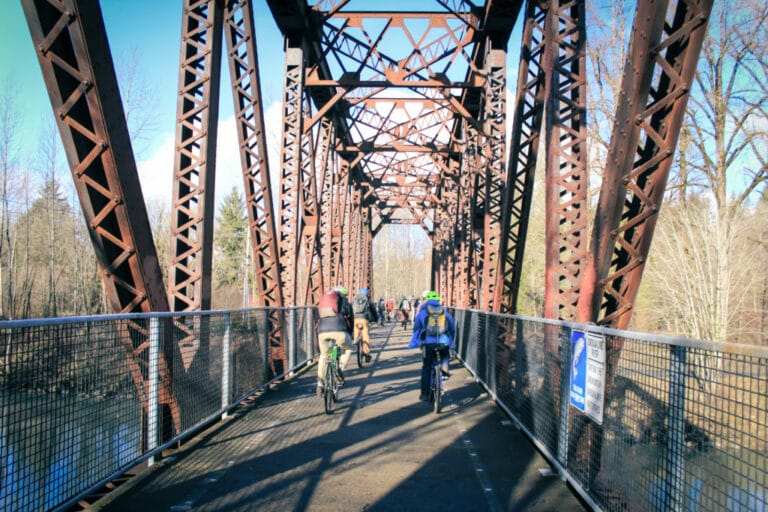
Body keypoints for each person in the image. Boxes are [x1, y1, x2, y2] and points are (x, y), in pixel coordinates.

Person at [408, 291, 456, 402]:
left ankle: (425, 394)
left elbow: (417, 328)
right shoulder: (444, 311)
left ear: (426, 301)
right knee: (445, 355)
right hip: (443, 342)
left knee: (426, 367)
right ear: (438, 301)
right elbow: (452, 327)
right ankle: (444, 371)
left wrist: (415, 342)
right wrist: (451, 341)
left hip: (428, 343)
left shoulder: (423, 312)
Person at [316, 285, 354, 396]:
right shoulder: (344, 301)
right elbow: (350, 318)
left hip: (322, 331)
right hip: (339, 331)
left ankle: (320, 383)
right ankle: (341, 365)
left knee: (324, 355)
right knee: (349, 347)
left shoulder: (325, 302)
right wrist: (350, 333)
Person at [351, 287, 378, 362]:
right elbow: (373, 311)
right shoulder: (368, 300)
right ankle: (366, 354)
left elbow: (350, 309)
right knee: (365, 336)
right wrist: (376, 319)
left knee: (356, 333)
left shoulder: (355, 300)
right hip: (364, 319)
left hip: (355, 319)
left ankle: (356, 341)